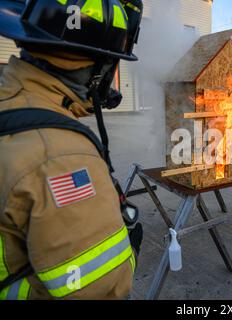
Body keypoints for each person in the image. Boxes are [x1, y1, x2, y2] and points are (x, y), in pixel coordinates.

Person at [0, 0, 144, 299]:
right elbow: (103, 290)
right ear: (99, 66)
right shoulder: (62, 156)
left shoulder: (10, 102)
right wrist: (129, 251)